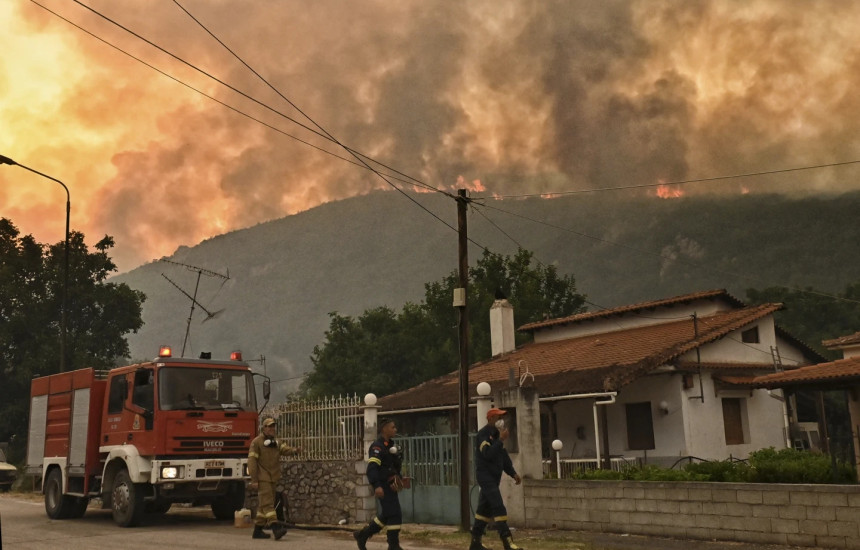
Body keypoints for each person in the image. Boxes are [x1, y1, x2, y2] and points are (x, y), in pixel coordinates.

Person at [470, 408, 523, 550]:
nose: (502, 420)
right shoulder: (483, 434)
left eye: (502, 417)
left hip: (494, 477)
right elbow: (487, 454)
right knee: (498, 506)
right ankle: (507, 542)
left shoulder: (497, 434)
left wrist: (513, 473)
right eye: (499, 417)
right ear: (491, 418)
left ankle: (475, 542)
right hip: (485, 476)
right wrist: (500, 440)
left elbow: (502, 457)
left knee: (483, 510)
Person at [354, 418, 404, 550]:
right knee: (395, 514)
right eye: (392, 427)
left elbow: (394, 467)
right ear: (384, 429)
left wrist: (399, 477)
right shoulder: (377, 447)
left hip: (391, 485)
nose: (395, 430)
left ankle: (363, 535)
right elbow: (372, 468)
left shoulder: (390, 446)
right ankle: (393, 545)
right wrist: (377, 485)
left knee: (388, 514)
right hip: (383, 485)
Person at [247, 417, 300, 540]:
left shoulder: (276, 442)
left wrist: (295, 451)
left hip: (273, 477)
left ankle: (257, 531)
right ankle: (276, 529)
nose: (272, 429)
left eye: (273, 426)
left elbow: (285, 450)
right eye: (269, 426)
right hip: (263, 478)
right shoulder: (256, 442)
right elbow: (252, 462)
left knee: (263, 506)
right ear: (264, 428)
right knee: (269, 504)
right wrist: (254, 480)